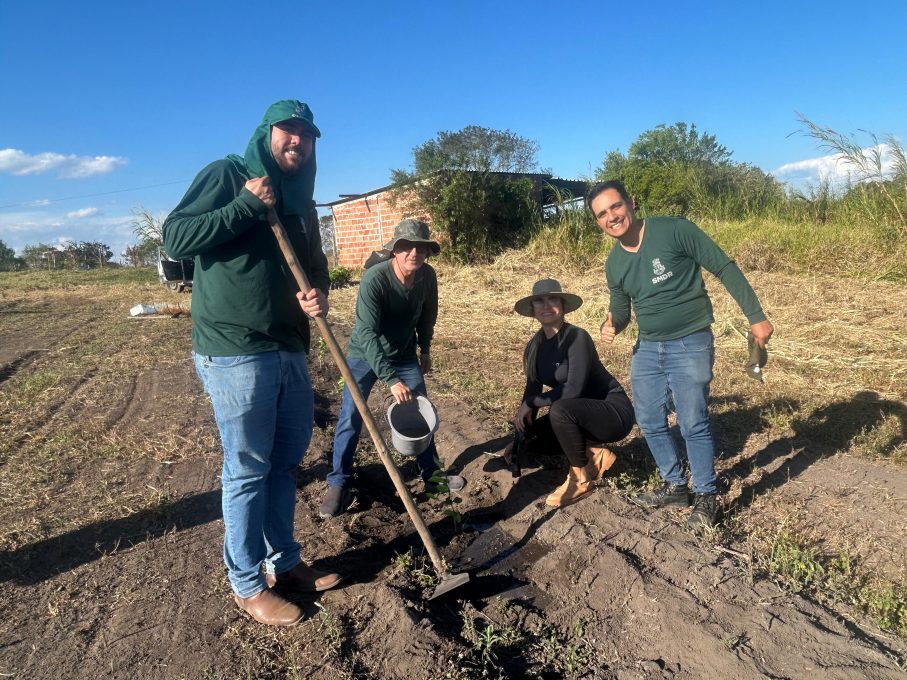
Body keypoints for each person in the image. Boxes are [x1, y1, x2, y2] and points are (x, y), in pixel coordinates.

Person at [162, 100, 342, 627]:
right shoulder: (228, 175)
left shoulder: (303, 201)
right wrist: (242, 206)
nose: (298, 142)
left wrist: (320, 294)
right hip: (235, 346)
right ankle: (246, 583)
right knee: (247, 469)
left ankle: (285, 562)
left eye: (307, 137)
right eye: (288, 132)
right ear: (267, 135)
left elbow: (315, 264)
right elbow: (175, 238)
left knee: (286, 461)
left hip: (289, 345)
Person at [588, 179, 774, 529]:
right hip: (648, 347)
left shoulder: (674, 230)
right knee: (649, 419)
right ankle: (675, 485)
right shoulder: (614, 264)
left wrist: (756, 316)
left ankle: (706, 494)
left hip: (691, 340)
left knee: (692, 421)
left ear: (631, 202)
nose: (612, 216)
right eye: (602, 214)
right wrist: (611, 323)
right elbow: (622, 310)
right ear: (598, 222)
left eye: (615, 206)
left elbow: (723, 266)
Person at [320, 219, 466, 518]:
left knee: (421, 413)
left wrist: (424, 348)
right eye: (406, 247)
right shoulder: (375, 279)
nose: (414, 253)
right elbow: (368, 333)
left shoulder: (427, 277)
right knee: (351, 415)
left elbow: (428, 316)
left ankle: (433, 478)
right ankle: (338, 483)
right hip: (364, 354)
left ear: (427, 252)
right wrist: (390, 379)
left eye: (420, 248)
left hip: (404, 353)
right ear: (395, 251)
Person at [509, 279, 635, 508]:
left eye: (552, 299)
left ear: (563, 306)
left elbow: (573, 390)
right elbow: (533, 389)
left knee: (560, 409)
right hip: (577, 414)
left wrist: (531, 402)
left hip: (612, 413)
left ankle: (580, 479)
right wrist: (518, 439)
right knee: (532, 439)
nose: (546, 305)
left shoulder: (577, 337)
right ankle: (594, 453)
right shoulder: (535, 346)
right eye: (539, 300)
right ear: (533, 309)